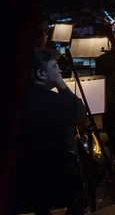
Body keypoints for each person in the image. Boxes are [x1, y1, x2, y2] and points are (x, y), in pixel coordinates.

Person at [10, 49, 86, 214]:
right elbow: (80, 112)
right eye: (55, 66)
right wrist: (62, 85)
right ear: (40, 74)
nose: (59, 70)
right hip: (57, 184)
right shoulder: (58, 103)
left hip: (21, 184)